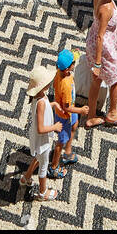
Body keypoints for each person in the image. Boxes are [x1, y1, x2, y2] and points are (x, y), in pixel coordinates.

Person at [82, 0, 117, 128]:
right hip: (103, 46)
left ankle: (92, 115)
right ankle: (113, 113)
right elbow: (102, 36)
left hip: (93, 41)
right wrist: (98, 62)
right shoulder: (107, 7)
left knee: (97, 81)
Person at [21, 65, 63, 202]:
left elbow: (44, 107)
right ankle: (42, 192)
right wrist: (54, 127)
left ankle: (26, 177)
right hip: (42, 139)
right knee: (43, 166)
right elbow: (41, 128)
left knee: (39, 158)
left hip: (39, 138)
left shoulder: (39, 98)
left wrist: (54, 105)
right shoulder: (40, 102)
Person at [49, 49, 79, 178]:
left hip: (68, 114)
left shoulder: (59, 73)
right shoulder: (66, 85)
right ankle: (54, 167)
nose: (75, 63)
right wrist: (81, 110)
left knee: (75, 124)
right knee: (60, 142)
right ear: (68, 68)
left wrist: (73, 52)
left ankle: (67, 152)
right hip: (64, 116)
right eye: (74, 62)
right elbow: (67, 108)